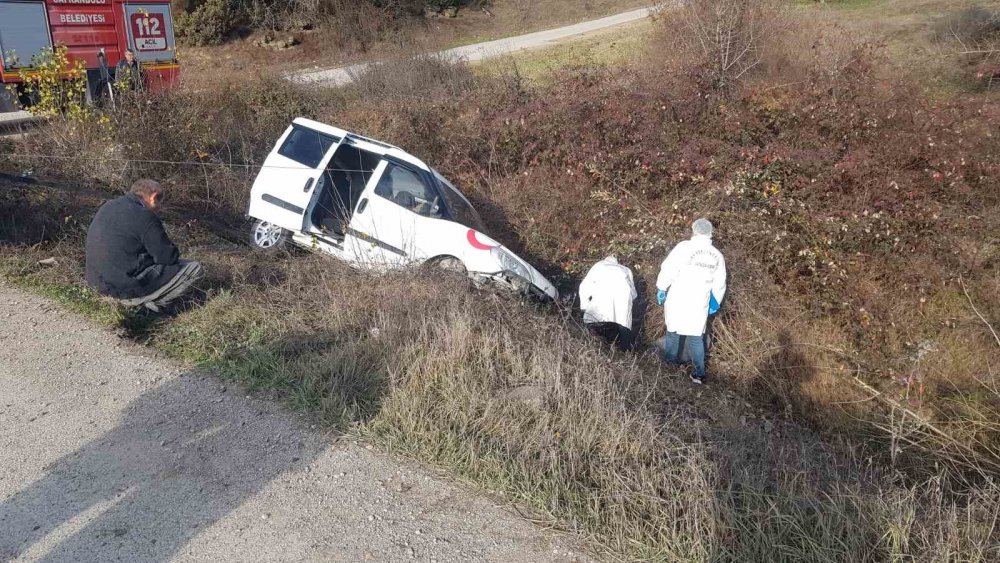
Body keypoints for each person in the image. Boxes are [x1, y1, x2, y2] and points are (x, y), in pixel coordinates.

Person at [85, 179, 204, 313]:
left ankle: (138, 302)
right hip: (123, 289)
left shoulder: (109, 206)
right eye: (160, 203)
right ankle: (148, 308)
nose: (159, 208)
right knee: (194, 268)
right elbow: (168, 258)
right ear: (153, 197)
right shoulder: (145, 215)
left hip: (96, 284)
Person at [655, 218, 726, 384]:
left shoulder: (684, 247)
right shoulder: (717, 255)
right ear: (710, 233)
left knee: (673, 332)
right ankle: (698, 374)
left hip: (679, 298)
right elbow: (720, 282)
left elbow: (669, 268)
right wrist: (715, 302)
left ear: (694, 231)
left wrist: (662, 287)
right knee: (696, 337)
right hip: (699, 302)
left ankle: (670, 366)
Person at [579, 256, 638, 349]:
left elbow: (584, 287)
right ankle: (626, 355)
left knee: (594, 328)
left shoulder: (599, 266)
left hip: (601, 304)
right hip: (623, 304)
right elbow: (634, 294)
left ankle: (595, 350)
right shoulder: (626, 270)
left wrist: (584, 307)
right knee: (624, 331)